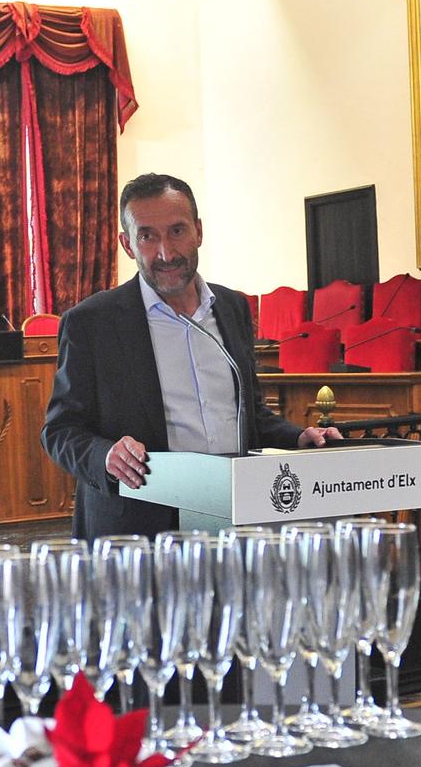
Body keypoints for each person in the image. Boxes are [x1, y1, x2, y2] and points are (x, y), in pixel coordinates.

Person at [41, 172, 339, 540]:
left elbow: (246, 414)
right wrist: (106, 455)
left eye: (177, 231)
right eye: (147, 236)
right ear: (128, 244)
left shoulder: (231, 308)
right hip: (136, 533)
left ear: (199, 231)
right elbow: (59, 430)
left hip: (235, 519)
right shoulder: (91, 323)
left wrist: (298, 438)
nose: (166, 252)